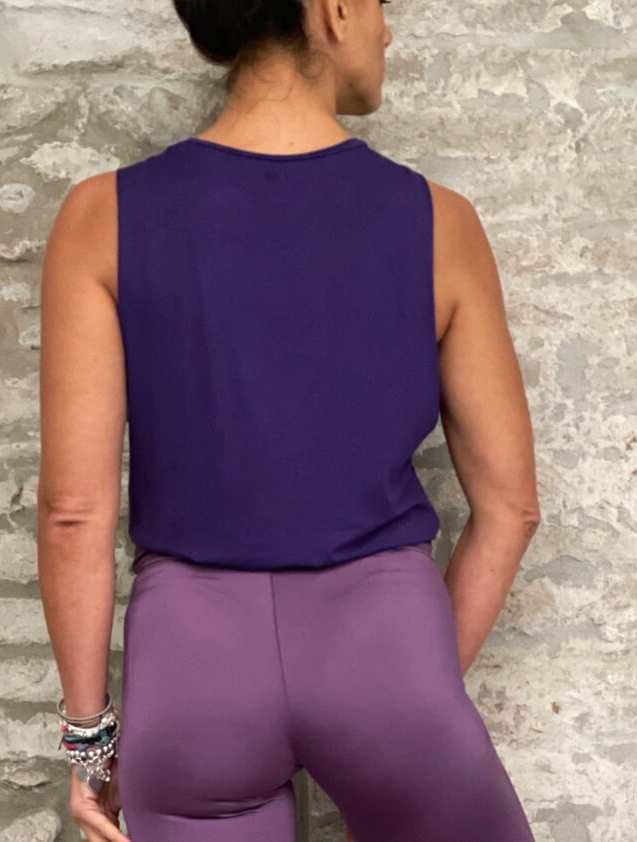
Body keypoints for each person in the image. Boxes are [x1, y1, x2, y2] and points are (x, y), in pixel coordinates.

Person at [36, 0, 542, 839]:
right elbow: (512, 506)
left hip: (192, 670)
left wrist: (92, 742)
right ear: (335, 10)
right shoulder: (438, 222)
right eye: (380, 5)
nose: (387, 31)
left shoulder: (102, 216)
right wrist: (414, 688)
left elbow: (72, 513)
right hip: (385, 650)